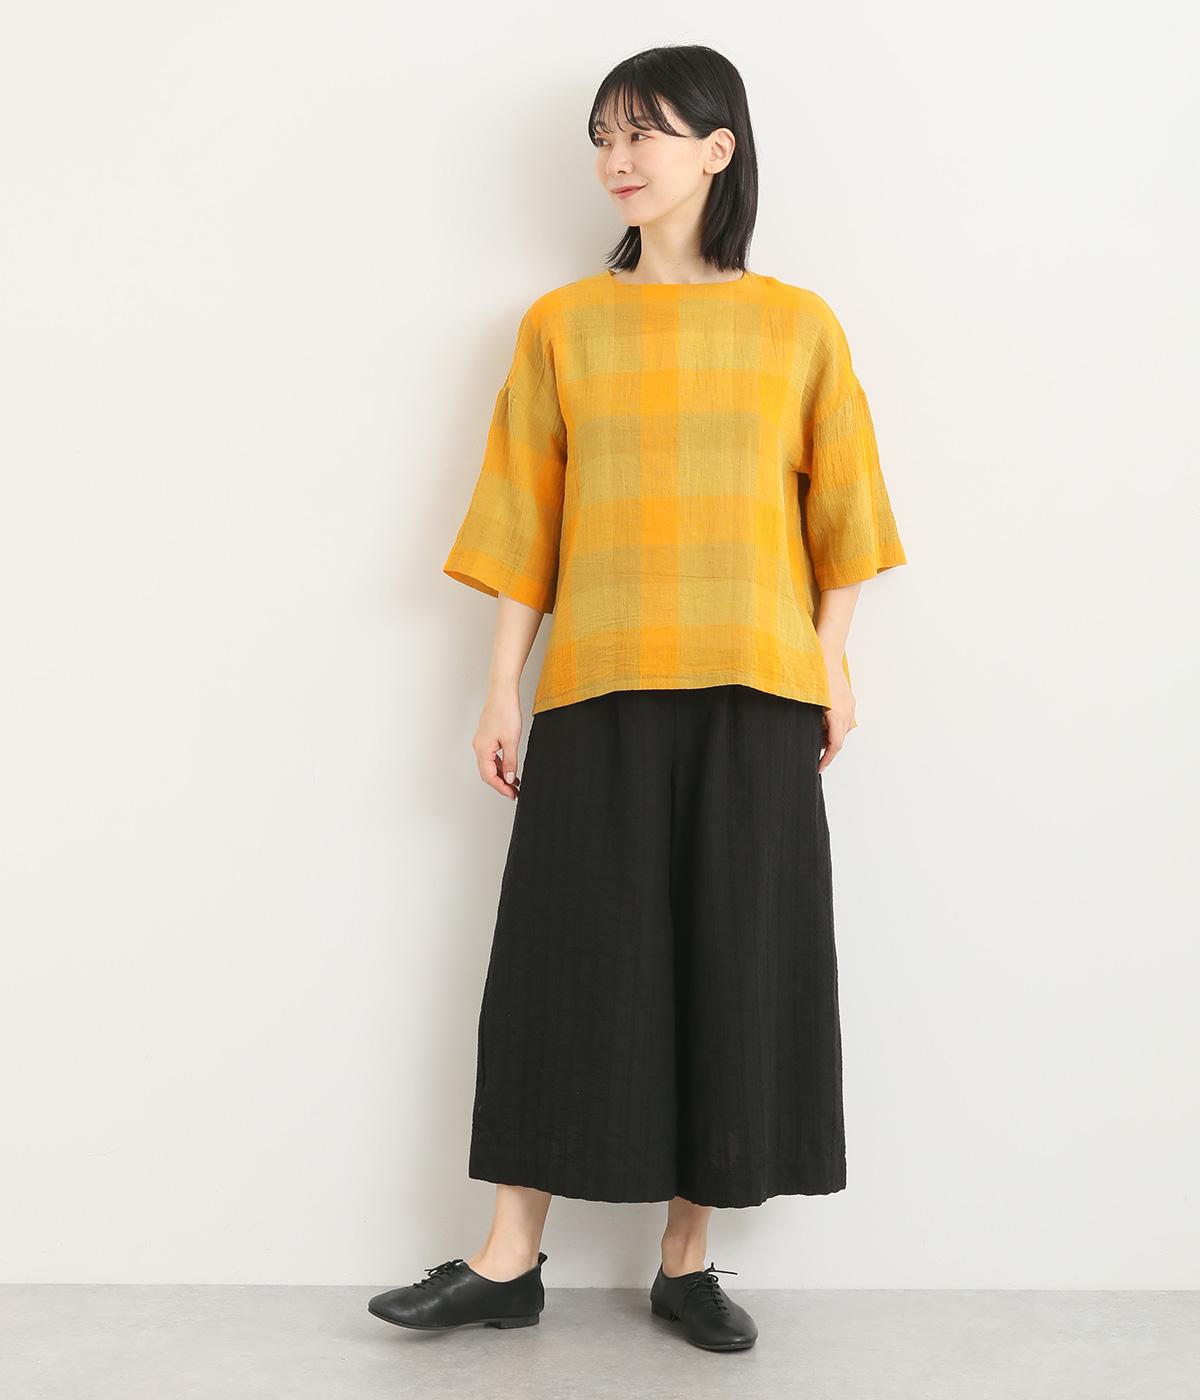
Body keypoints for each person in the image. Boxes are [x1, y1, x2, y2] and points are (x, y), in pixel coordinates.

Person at [368, 43, 908, 1353]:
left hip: (755, 689)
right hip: (598, 681)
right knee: (564, 961)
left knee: (735, 961)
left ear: (719, 149)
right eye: (605, 135)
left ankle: (687, 1260)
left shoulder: (798, 325)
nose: (619, 157)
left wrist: (832, 661)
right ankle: (508, 1259)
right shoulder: (562, 324)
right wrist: (501, 687)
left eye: (646, 131)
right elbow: (524, 521)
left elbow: (845, 515)